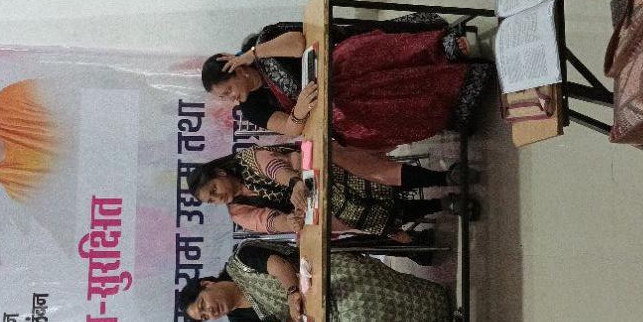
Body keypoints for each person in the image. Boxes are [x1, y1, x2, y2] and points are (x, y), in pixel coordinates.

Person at [203, 19, 493, 150]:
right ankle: (450, 105)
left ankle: (443, 51)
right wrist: (300, 110)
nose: (232, 98)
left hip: (336, 66)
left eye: (228, 90)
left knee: (352, 57)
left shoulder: (264, 44)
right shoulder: (250, 108)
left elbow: (299, 44)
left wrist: (253, 54)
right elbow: (290, 128)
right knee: (347, 115)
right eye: (225, 97)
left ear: (236, 69)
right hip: (327, 106)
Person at [179, 239, 463, 322]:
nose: (210, 312)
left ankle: (435, 304)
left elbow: (277, 264)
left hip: (319, 277)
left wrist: (293, 293)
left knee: (360, 298)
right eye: (204, 317)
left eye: (203, 305)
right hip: (316, 319)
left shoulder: (240, 260)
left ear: (207, 284)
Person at [186, 143, 469, 241]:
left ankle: (443, 177)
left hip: (314, 170)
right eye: (212, 200)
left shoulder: (246, 160)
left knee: (374, 177)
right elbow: (266, 222)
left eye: (214, 190)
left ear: (219, 173)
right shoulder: (238, 212)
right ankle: (442, 204)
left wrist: (294, 183)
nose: (218, 198)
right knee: (359, 214)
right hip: (313, 207)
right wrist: (289, 221)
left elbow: (273, 166)